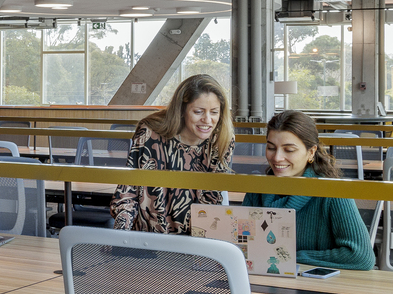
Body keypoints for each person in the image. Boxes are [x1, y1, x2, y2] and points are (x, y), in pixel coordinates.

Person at [240, 110, 376, 270]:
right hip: (264, 278)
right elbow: (242, 244)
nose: (277, 157)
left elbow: (361, 256)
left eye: (289, 150)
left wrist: (288, 257)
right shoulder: (256, 189)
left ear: (311, 152)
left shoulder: (332, 192)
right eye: (271, 148)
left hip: (317, 282)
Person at [109, 74, 234, 234]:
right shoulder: (150, 133)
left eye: (214, 112)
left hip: (196, 238)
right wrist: (121, 237)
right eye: (198, 112)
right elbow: (128, 191)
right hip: (147, 237)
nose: (207, 120)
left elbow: (212, 198)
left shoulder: (221, 138)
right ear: (181, 110)